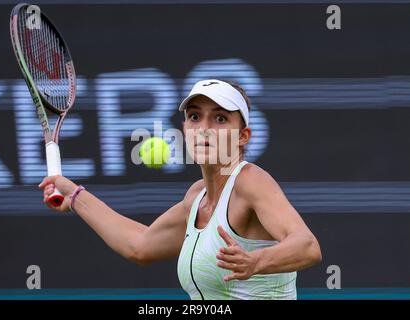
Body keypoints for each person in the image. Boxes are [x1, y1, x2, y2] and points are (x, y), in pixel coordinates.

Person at [39, 79, 322, 300]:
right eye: (195, 117)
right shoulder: (196, 198)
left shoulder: (250, 182)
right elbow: (139, 246)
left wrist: (256, 261)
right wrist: (75, 196)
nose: (204, 129)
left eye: (220, 119)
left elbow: (307, 246)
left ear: (243, 136)